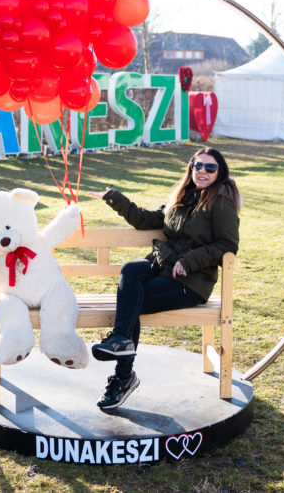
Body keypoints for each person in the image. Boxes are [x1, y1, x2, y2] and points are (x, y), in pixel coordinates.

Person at [86, 147, 241, 411]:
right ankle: (121, 340)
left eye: (210, 167)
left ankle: (123, 377)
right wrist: (114, 198)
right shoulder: (182, 197)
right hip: (163, 266)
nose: (202, 171)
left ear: (219, 172)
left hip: (191, 282)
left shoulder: (220, 201)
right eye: (198, 165)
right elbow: (145, 220)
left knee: (132, 303)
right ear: (191, 168)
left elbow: (227, 245)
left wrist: (188, 261)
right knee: (131, 270)